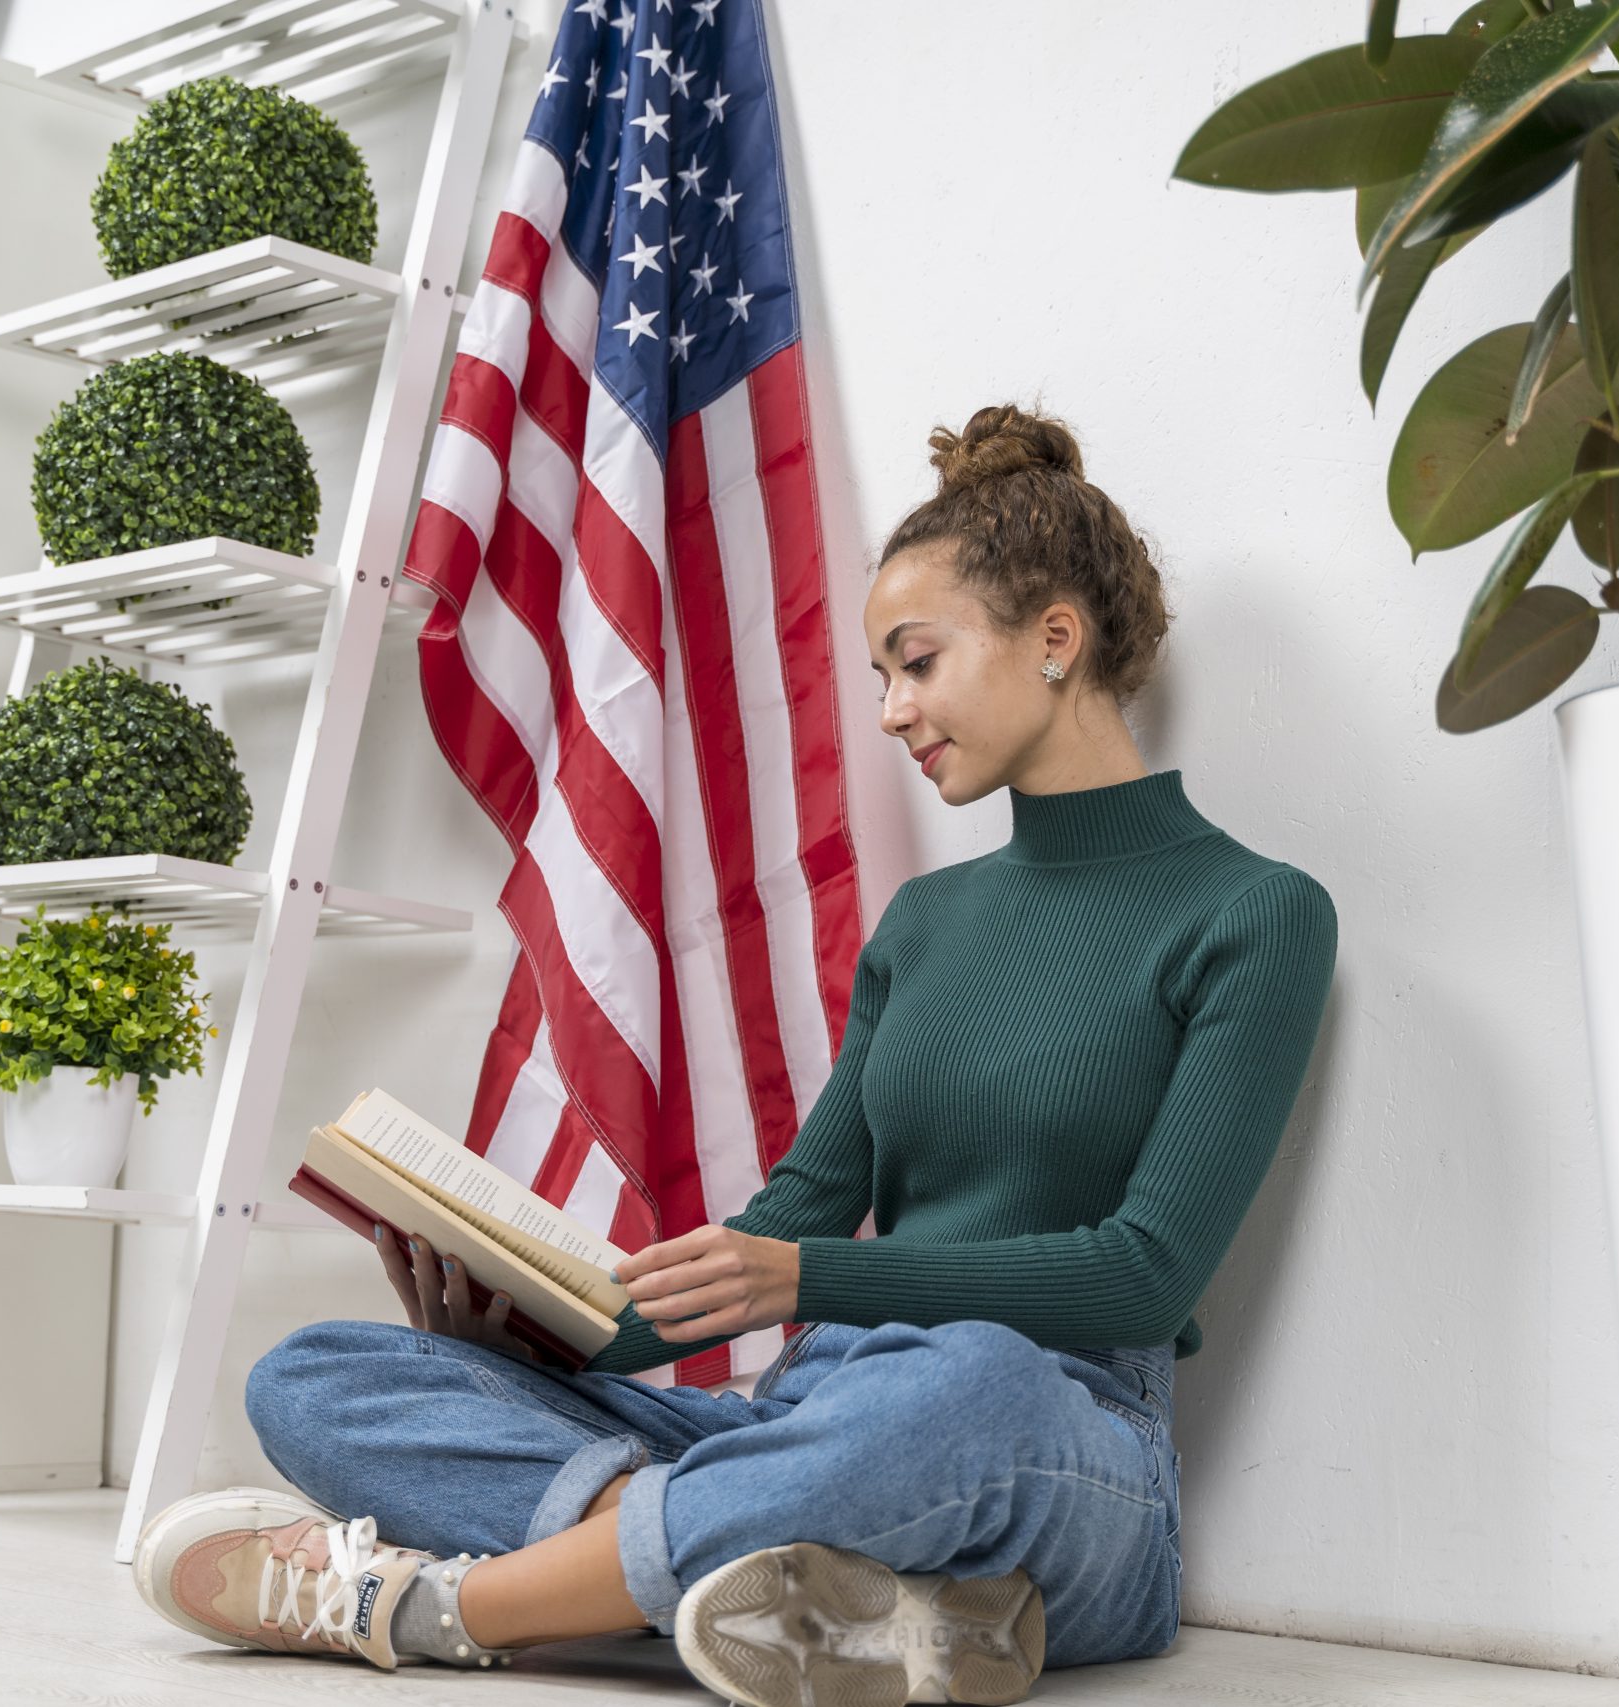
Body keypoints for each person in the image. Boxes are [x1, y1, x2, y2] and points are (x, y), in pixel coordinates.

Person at [130, 402, 1339, 1707]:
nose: (889, 710)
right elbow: (791, 1222)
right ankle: (841, 1598)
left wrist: (809, 1278)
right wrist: (557, 1337)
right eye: (880, 675)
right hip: (805, 1424)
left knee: (967, 1378)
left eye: (916, 663)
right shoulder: (926, 926)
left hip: (1064, 1451)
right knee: (313, 1376)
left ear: (1056, 639)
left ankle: (439, 1607)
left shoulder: (1256, 915)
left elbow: (1144, 1279)